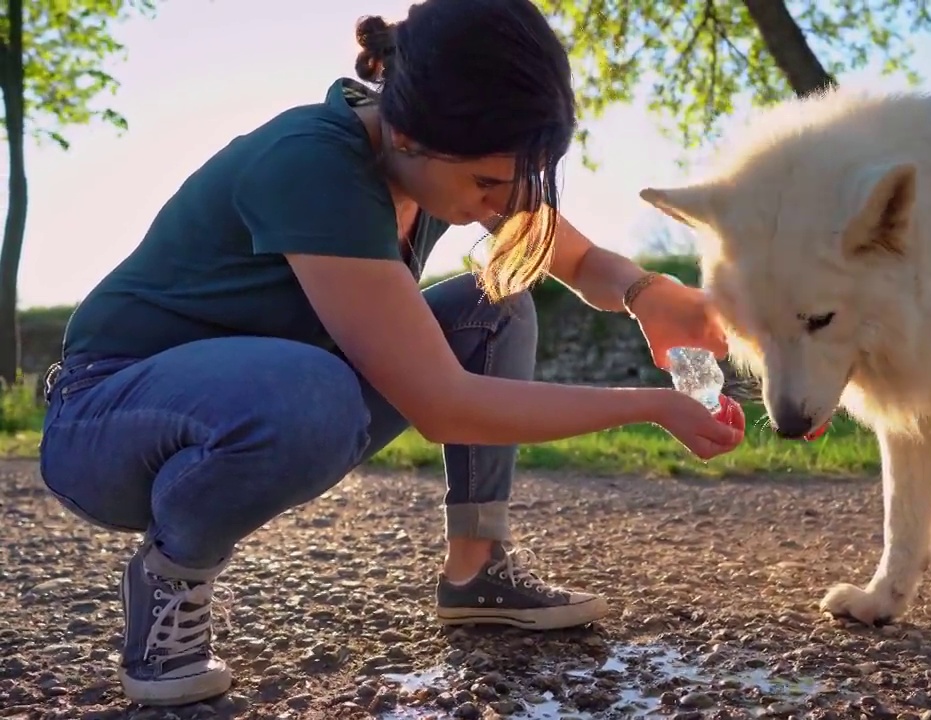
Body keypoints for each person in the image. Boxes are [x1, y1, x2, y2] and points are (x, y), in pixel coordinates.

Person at [36, 0, 744, 708]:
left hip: (264, 398)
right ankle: (172, 574)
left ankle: (477, 570)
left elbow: (580, 257)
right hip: (106, 422)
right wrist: (653, 406)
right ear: (406, 133)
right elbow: (443, 405)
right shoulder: (311, 162)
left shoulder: (440, 159)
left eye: (520, 177)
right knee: (313, 392)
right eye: (488, 184)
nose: (504, 201)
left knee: (493, 304)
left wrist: (647, 292)